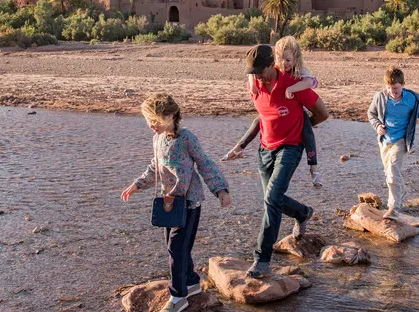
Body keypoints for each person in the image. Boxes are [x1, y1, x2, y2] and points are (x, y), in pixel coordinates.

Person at [121, 93, 232, 312]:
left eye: (155, 120)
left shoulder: (186, 138)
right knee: (175, 248)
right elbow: (154, 168)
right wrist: (136, 185)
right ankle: (191, 281)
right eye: (148, 120)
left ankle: (178, 296)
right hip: (169, 203)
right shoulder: (158, 138)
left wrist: (221, 190)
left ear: (171, 116)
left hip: (189, 203)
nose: (151, 125)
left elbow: (204, 163)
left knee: (176, 248)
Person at [241, 44, 329, 278]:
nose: (257, 75)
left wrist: (301, 129)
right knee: (273, 199)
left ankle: (262, 259)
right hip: (265, 149)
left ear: (273, 64)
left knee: (271, 199)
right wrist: (240, 145)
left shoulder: (293, 83)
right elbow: (262, 117)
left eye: (260, 70)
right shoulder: (256, 84)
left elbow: (323, 113)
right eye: (253, 72)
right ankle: (302, 213)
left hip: (290, 147)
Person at [223, 37, 321, 186]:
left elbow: (311, 87)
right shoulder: (263, 75)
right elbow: (252, 71)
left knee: (305, 128)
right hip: (266, 147)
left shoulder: (299, 74)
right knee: (261, 118)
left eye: (288, 60)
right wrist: (252, 85)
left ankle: (314, 168)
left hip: (292, 134)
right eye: (281, 60)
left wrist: (293, 122)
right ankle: (237, 148)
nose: (284, 64)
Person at [367, 67, 419, 219]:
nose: (393, 91)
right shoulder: (380, 97)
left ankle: (394, 208)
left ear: (403, 84)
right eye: (389, 88)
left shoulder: (411, 99)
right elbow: (371, 113)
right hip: (385, 141)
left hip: (402, 140)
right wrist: (377, 125)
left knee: (392, 171)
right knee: (389, 173)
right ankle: (400, 192)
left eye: (396, 88)